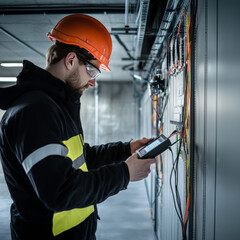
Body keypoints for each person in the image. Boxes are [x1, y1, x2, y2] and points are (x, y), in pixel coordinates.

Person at [0, 14, 156, 240]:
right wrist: (125, 173)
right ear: (71, 60)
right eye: (93, 71)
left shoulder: (56, 105)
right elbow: (60, 191)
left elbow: (79, 159)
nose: (93, 81)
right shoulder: (34, 111)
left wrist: (126, 149)